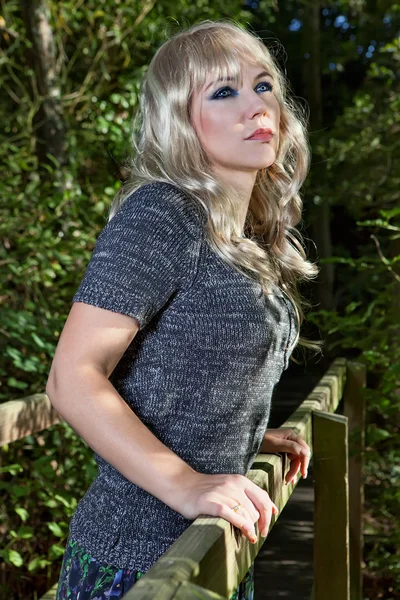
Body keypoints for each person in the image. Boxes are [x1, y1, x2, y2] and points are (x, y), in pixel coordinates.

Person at [46, 18, 319, 600]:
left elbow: (181, 370)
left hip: (218, 549)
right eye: (224, 92)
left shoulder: (245, 237)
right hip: (141, 562)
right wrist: (188, 482)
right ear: (181, 123)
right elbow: (71, 378)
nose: (256, 106)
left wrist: (244, 433)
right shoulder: (163, 214)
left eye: (263, 84)